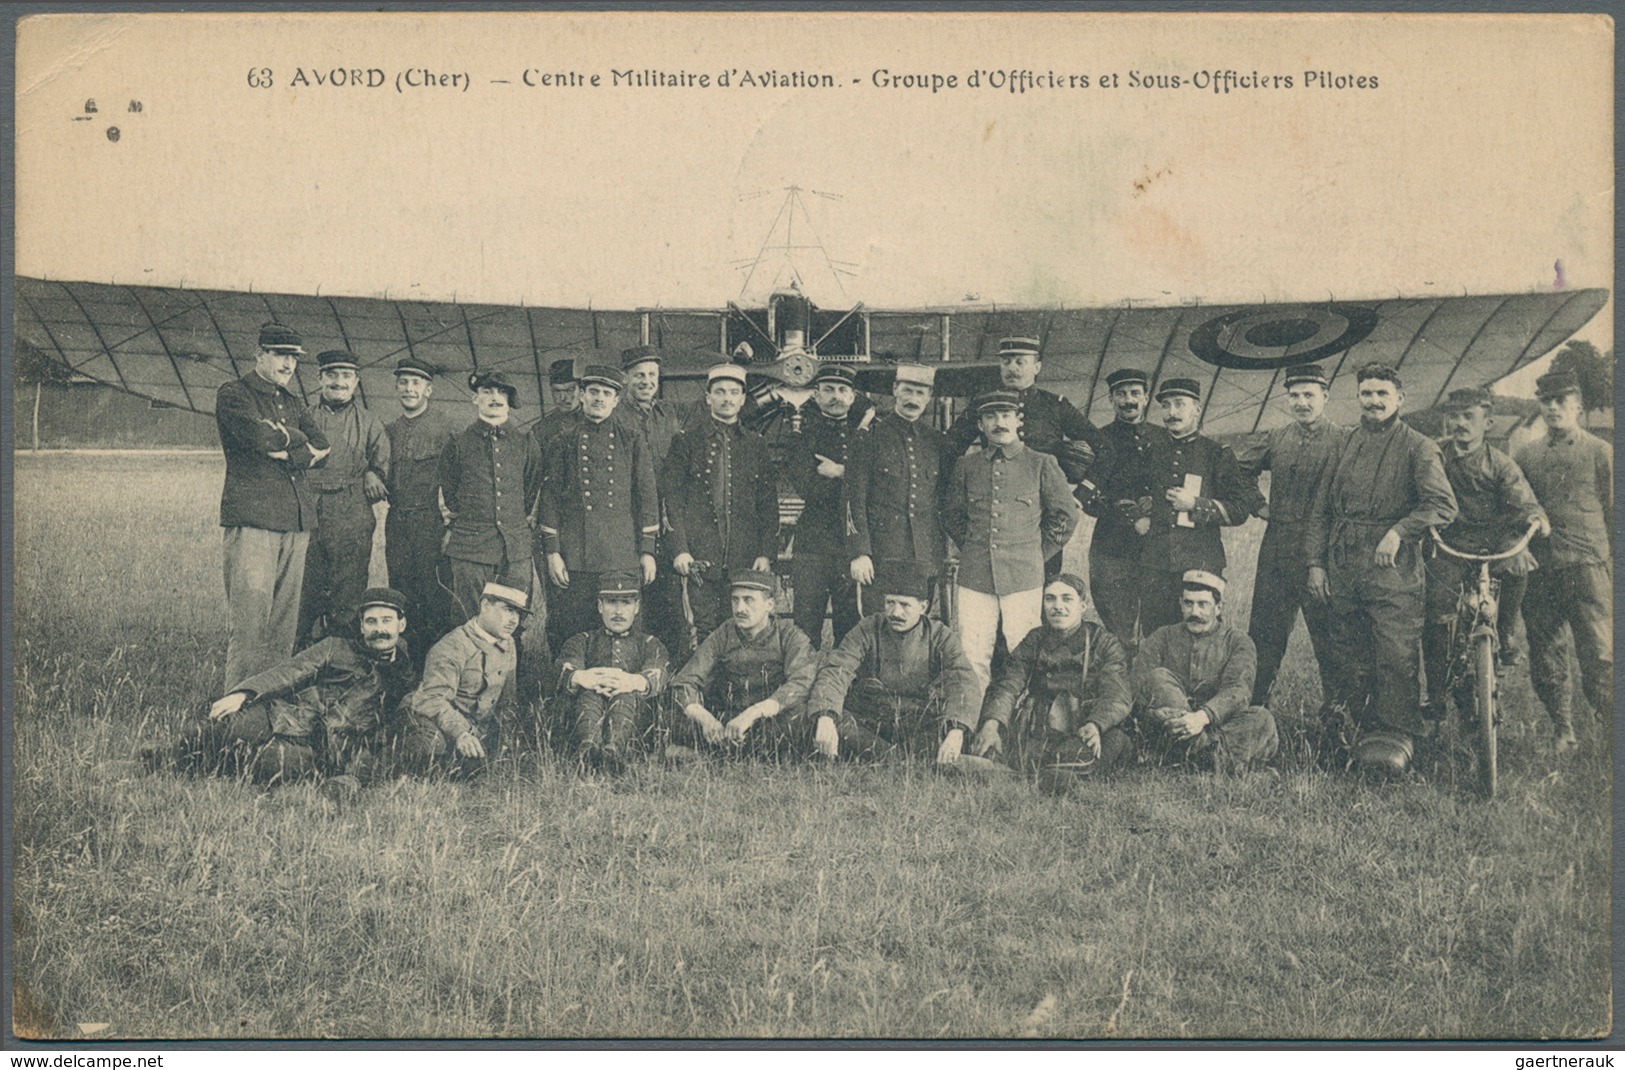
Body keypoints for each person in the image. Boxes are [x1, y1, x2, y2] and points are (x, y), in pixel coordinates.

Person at [1307, 363, 1458, 775]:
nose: (1373, 401)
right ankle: (1356, 733)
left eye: (1382, 395)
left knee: (1395, 654)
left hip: (1394, 569)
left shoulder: (1418, 447)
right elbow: (1321, 508)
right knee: (1350, 651)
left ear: (1400, 399)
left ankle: (1399, 738)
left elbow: (1442, 505)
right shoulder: (1344, 442)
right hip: (1344, 564)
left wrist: (1399, 531)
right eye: (1366, 394)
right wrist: (1317, 564)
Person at [150, 588, 417, 790]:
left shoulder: (403, 678)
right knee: (221, 730)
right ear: (361, 625)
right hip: (283, 714)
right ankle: (157, 759)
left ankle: (203, 767)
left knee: (263, 765)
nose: (379, 629)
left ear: (400, 625)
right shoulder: (336, 646)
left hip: (317, 746)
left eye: (386, 621)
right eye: (371, 621)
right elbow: (291, 671)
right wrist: (246, 693)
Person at [215, 322, 332, 690]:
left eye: (293, 358)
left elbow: (323, 447)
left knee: (284, 626)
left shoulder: (293, 402)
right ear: (259, 355)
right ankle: (235, 711)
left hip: (296, 522)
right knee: (250, 625)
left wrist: (286, 446)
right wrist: (293, 442)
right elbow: (259, 437)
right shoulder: (235, 394)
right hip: (254, 519)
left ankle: (271, 702)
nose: (288, 365)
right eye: (280, 355)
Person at [942, 389, 1081, 693]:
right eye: (990, 416)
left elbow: (1065, 516)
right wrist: (973, 548)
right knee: (973, 653)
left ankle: (1020, 721)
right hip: (975, 575)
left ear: (1019, 420)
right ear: (980, 425)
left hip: (1023, 577)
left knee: (1024, 652)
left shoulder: (1042, 464)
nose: (998, 423)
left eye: (1005, 415)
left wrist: (1035, 554)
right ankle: (972, 723)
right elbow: (952, 514)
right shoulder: (967, 466)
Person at [1423, 387, 1548, 717]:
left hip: (1493, 541)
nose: (1460, 424)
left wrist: (1535, 517)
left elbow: (1523, 499)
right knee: (1435, 613)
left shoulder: (1501, 464)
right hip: (1451, 544)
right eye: (1455, 417)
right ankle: (1435, 693)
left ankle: (1504, 635)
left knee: (1519, 565)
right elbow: (1417, 486)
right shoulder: (1435, 455)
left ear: (1488, 422)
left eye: (1469, 417)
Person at [1235, 364, 1347, 705]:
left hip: (1324, 554)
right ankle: (1254, 712)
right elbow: (1235, 470)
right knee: (1264, 637)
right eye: (1294, 395)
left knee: (1330, 641)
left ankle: (1337, 719)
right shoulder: (1277, 438)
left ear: (1325, 397)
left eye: (1309, 395)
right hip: (1278, 550)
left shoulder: (1344, 440)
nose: (1301, 402)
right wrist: (1258, 504)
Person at [1513, 370, 1612, 753]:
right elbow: (1514, 507)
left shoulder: (1600, 451)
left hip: (1589, 568)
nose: (1553, 408)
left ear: (1578, 406)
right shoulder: (1526, 455)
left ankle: (1609, 733)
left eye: (1561, 401)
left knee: (1600, 654)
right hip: (1542, 571)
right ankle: (1563, 731)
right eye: (1546, 401)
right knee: (1546, 655)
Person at [946, 336, 1098, 578]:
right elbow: (950, 447)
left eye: (1020, 362)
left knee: (1042, 586)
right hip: (996, 514)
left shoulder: (1055, 406)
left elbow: (1104, 448)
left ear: (1037, 367)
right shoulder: (984, 406)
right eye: (1006, 362)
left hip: (1042, 518)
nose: (1012, 368)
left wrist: (1083, 492)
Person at [535, 364, 659, 654]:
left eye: (606, 393)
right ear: (582, 396)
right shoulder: (563, 441)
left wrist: (647, 551)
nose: (599, 398)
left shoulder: (632, 439)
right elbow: (551, 498)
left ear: (616, 400)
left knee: (622, 629)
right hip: (575, 555)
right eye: (593, 392)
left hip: (619, 554)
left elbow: (647, 497)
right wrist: (552, 552)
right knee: (570, 626)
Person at [804, 560, 979, 764]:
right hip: (873, 720)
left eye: (905, 605)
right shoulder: (867, 628)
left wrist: (956, 731)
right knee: (834, 721)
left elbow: (963, 680)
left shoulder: (941, 635)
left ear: (923, 606)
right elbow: (837, 669)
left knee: (956, 732)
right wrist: (826, 715)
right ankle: (907, 760)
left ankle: (886, 758)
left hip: (918, 722)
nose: (895, 613)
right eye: (890, 603)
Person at [972, 573, 1134, 788]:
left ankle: (1048, 775)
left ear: (1083, 605)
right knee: (994, 744)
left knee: (1109, 743)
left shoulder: (1103, 642)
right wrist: (993, 723)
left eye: (1067, 599)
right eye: (1050, 599)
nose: (1058, 606)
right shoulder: (1035, 639)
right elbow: (1009, 683)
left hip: (1084, 728)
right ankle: (1049, 774)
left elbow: (1117, 694)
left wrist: (1096, 724)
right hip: (1041, 728)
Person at [661, 364, 779, 652]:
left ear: (742, 399)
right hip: (700, 558)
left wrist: (765, 552)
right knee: (703, 629)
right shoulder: (686, 442)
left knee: (743, 626)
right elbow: (671, 499)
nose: (727, 398)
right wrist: (680, 549)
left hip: (744, 557)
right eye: (720, 392)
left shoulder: (756, 445)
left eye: (734, 393)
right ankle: (703, 693)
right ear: (708, 397)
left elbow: (767, 505)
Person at [1135, 378, 1263, 635]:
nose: (1172, 413)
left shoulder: (1217, 454)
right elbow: (1137, 491)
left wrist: (1196, 504)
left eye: (1180, 404)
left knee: (1202, 632)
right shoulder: (1152, 452)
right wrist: (1141, 512)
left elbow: (1239, 509)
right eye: (1166, 406)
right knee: (1156, 633)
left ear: (1197, 408)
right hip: (1156, 563)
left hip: (1200, 561)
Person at [1132, 571, 1278, 774]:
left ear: (1218, 608)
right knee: (1158, 677)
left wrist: (1201, 718)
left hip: (1217, 725)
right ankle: (1212, 759)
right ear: (1180, 605)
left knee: (1261, 718)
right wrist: (1154, 714)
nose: (1195, 612)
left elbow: (1238, 691)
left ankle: (1189, 756)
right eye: (1189, 603)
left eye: (1203, 604)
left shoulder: (1237, 641)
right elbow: (1138, 683)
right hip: (1172, 725)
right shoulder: (1162, 637)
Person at [667, 570, 817, 758]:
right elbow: (685, 681)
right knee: (670, 716)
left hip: (770, 720)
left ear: (769, 605)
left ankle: (713, 754)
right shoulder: (723, 633)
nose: (739, 609)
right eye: (735, 600)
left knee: (802, 720)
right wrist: (707, 720)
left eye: (748, 600)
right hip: (728, 720)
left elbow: (802, 682)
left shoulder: (789, 635)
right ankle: (737, 750)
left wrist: (754, 713)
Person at [299, 349, 391, 646]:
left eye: (346, 376)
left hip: (352, 512)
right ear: (320, 379)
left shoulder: (369, 422)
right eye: (332, 375)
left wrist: (373, 473)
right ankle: (299, 656)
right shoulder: (304, 418)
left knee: (348, 589)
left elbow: (383, 464)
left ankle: (343, 658)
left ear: (356, 381)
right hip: (308, 510)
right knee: (303, 587)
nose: (339, 382)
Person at [438, 370, 543, 627]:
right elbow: (450, 492)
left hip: (514, 550)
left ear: (509, 399)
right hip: (470, 547)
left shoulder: (526, 443)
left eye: (501, 392)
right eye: (487, 391)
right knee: (468, 618)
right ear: (475, 398)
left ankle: (508, 668)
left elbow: (530, 490)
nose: (494, 397)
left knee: (511, 620)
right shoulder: (458, 443)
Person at [843, 362, 951, 597]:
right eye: (907, 391)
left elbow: (941, 501)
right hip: (881, 556)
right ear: (895, 390)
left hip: (924, 556)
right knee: (878, 625)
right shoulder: (869, 438)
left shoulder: (936, 442)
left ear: (929, 396)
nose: (913, 399)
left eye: (920, 392)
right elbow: (854, 499)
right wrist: (860, 552)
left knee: (919, 625)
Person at [399, 581, 527, 777]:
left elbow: (507, 701)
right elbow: (432, 700)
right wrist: (462, 733)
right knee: (430, 748)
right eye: (508, 610)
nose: (514, 620)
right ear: (485, 605)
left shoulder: (508, 642)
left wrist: (506, 745)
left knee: (483, 768)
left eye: (518, 613)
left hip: (473, 728)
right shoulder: (453, 646)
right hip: (433, 720)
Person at [1075, 367, 1161, 649]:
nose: (1128, 400)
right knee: (1119, 626)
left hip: (1157, 545)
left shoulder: (1163, 439)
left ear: (1146, 398)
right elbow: (1088, 497)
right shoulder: (1098, 440)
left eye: (1135, 393)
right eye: (1121, 394)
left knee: (1158, 625)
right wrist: (1128, 515)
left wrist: (1155, 508)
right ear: (1111, 400)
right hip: (1112, 546)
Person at [789, 364, 874, 648]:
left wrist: (839, 472)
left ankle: (844, 690)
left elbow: (871, 486)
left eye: (842, 390)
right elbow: (810, 490)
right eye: (828, 390)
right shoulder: (802, 438)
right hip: (811, 547)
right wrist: (853, 476)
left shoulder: (865, 437)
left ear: (852, 396)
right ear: (815, 395)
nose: (835, 396)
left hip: (849, 546)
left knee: (850, 628)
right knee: (805, 627)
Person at [383, 357, 463, 657]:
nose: (409, 389)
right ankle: (406, 663)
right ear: (396, 388)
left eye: (416, 383)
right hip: (398, 522)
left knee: (436, 595)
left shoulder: (448, 429)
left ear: (428, 390)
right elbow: (374, 466)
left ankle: (436, 664)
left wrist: (452, 528)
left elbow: (461, 481)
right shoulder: (388, 431)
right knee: (401, 592)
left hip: (433, 523)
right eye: (403, 382)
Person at [553, 571, 670, 773]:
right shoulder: (583, 640)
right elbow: (565, 666)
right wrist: (583, 678)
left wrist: (632, 681)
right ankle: (587, 749)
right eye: (611, 602)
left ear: (637, 607)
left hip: (634, 717)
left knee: (625, 694)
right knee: (589, 694)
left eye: (626, 603)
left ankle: (614, 751)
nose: (618, 611)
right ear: (600, 606)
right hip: (588, 705)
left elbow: (658, 671)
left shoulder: (650, 644)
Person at [616, 344, 687, 662]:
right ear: (625, 378)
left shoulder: (668, 414)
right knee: (632, 598)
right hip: (627, 522)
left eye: (652, 375)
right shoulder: (616, 415)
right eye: (639, 375)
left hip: (665, 522)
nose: (646, 381)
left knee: (670, 601)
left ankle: (668, 673)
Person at [533, 357, 582, 446]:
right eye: (557, 391)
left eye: (569, 390)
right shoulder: (540, 429)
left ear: (582, 391)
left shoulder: (597, 423)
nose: (562, 398)